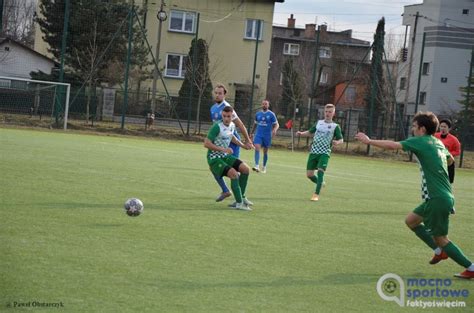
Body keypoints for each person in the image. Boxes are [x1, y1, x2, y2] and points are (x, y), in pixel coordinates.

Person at [355, 112, 473, 279]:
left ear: (422, 129)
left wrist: (369, 141)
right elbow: (450, 161)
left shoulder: (421, 141)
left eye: (414, 126)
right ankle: (439, 252)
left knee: (441, 239)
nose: (412, 129)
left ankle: (470, 267)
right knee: (411, 221)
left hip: (436, 198)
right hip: (442, 196)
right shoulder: (438, 142)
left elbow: (393, 145)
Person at [209, 84, 253, 203]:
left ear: (224, 94)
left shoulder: (227, 107)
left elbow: (240, 124)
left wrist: (247, 140)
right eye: (216, 93)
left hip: (231, 144)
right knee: (215, 168)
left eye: (220, 93)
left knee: (235, 171)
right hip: (220, 143)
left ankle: (239, 198)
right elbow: (217, 127)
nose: (217, 95)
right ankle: (228, 192)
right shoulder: (213, 108)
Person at [204, 106, 253, 211]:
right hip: (214, 159)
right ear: (222, 115)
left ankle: (241, 197)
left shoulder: (232, 125)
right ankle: (239, 204)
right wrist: (223, 149)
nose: (226, 118)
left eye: (229, 116)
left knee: (246, 169)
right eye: (224, 116)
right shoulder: (217, 126)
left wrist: (244, 145)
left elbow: (232, 137)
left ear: (232, 116)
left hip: (225, 156)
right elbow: (206, 143)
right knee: (234, 174)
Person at [296, 103, 343, 201]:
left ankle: (316, 194)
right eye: (326, 111)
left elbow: (341, 139)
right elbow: (310, 131)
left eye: (330, 112)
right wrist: (301, 133)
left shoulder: (335, 126)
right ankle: (320, 183)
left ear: (333, 113)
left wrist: (337, 142)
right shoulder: (319, 123)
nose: (327, 113)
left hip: (324, 152)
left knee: (321, 171)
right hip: (314, 152)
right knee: (309, 175)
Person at [251, 99, 279, 173]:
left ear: (268, 105)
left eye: (266, 104)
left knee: (265, 152)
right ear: (261, 105)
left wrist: (274, 130)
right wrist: (252, 132)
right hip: (258, 134)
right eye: (263, 104)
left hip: (267, 135)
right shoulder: (258, 114)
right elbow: (255, 124)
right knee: (257, 148)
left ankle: (264, 166)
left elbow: (276, 124)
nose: (264, 105)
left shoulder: (271, 114)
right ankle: (256, 166)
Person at [434, 119, 461, 184]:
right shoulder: (435, 136)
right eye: (441, 126)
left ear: (449, 128)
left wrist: (447, 154)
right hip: (437, 162)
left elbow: (457, 151)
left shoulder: (454, 140)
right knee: (435, 181)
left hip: (448, 163)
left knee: (448, 182)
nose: (442, 128)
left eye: (445, 127)